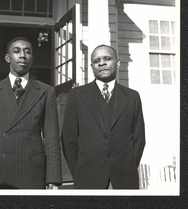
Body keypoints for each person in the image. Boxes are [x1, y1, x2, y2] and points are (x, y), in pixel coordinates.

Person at [0, 37, 62, 189]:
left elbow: (52, 139)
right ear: (7, 58)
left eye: (27, 52)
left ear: (32, 59)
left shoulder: (46, 91)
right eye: (17, 51)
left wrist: (53, 179)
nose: (22, 55)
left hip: (32, 171)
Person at [61, 45, 145, 189]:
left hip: (124, 179)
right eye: (96, 60)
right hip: (87, 178)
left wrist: (127, 167)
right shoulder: (77, 95)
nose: (102, 63)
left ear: (117, 63)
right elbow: (68, 139)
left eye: (107, 59)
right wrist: (79, 173)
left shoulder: (132, 97)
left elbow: (139, 139)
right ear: (92, 66)